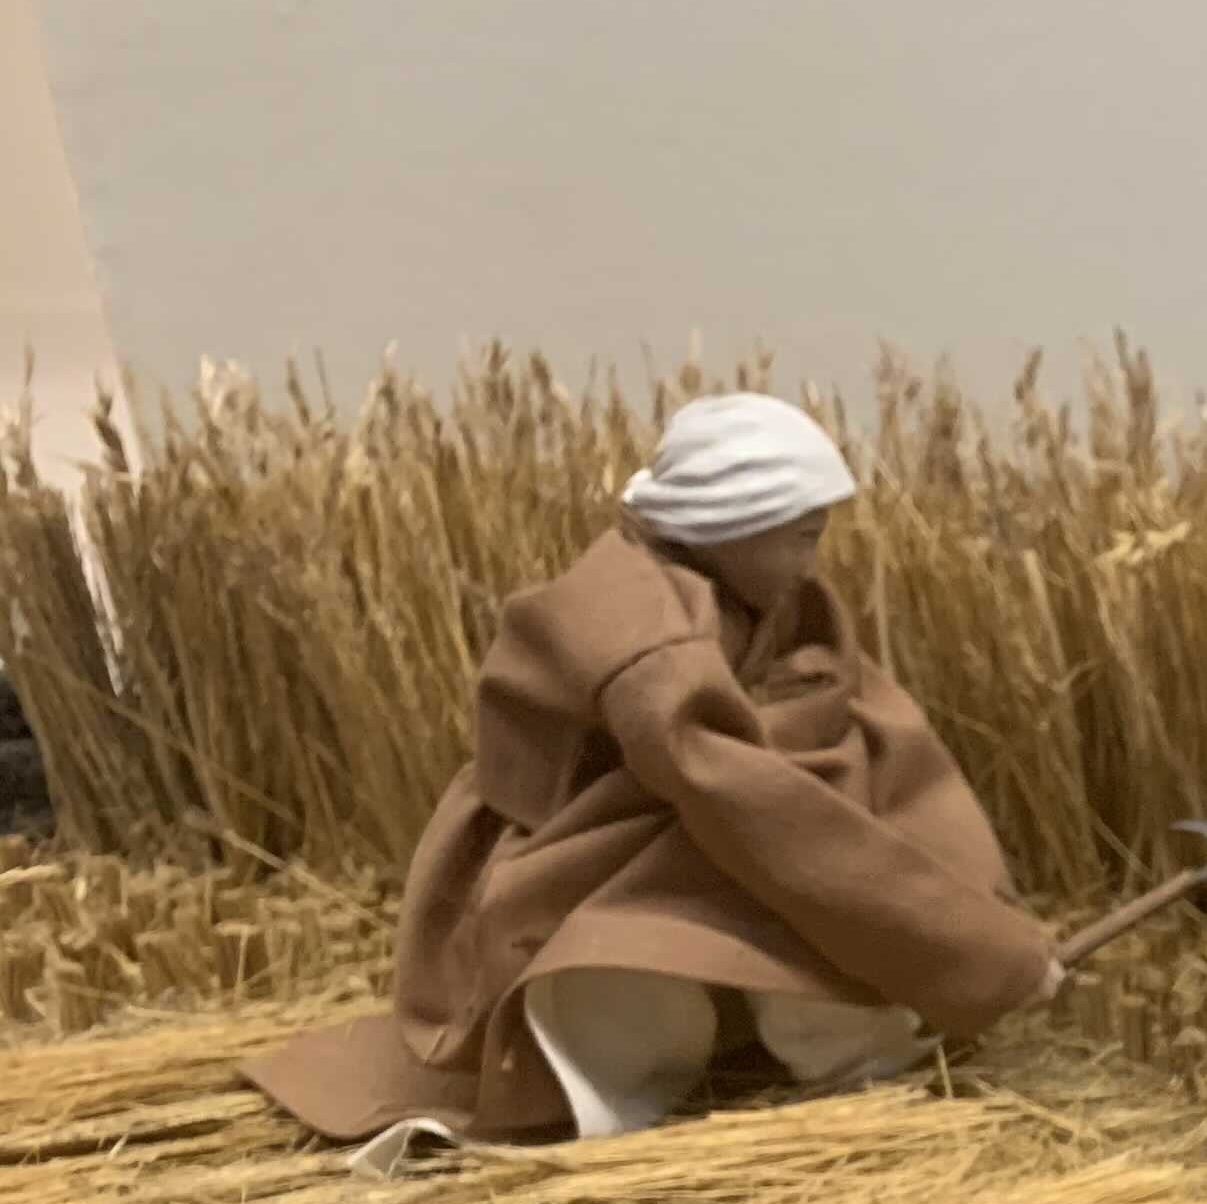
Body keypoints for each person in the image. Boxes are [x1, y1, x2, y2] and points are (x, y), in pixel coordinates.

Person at [244, 392, 1058, 1148]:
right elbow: (740, 797)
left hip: (702, 823)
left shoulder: (765, 602)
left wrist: (972, 919)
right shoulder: (647, 638)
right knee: (654, 960)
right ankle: (619, 1085)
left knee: (802, 865)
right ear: (727, 527)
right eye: (801, 537)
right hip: (587, 856)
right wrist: (979, 952)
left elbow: (863, 742)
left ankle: (838, 1033)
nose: (811, 562)